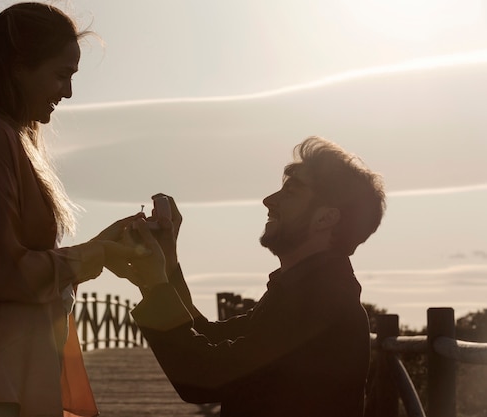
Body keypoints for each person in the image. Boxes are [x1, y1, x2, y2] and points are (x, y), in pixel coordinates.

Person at [0, 4, 142, 417]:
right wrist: (94, 255)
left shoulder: (6, 139)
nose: (68, 92)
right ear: (19, 67)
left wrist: (101, 247)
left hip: (7, 377)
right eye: (61, 74)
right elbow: (5, 275)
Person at [122, 136, 386, 417]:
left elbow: (205, 376)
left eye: (291, 192)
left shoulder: (322, 300)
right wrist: (166, 264)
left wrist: (155, 283)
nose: (269, 201)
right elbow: (209, 335)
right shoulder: (306, 290)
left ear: (326, 218)